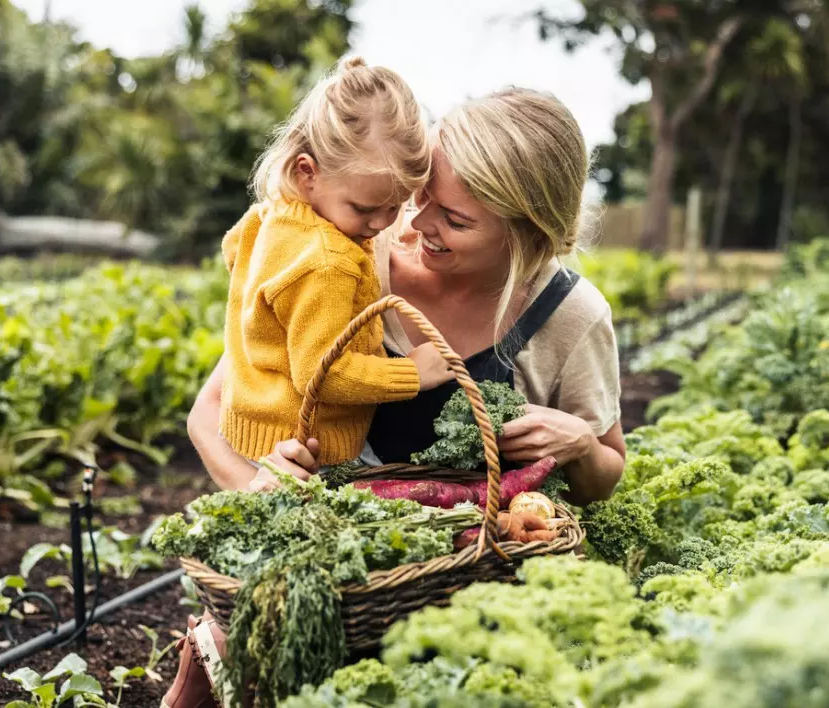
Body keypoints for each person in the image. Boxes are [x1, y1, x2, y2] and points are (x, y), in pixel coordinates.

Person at [163, 86, 626, 708]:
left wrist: (578, 444)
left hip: (479, 586)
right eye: (421, 197)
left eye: (455, 221)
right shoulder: (351, 252)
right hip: (344, 589)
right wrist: (258, 491)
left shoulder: (570, 316)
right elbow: (209, 412)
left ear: (529, 230)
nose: (416, 225)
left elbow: (606, 473)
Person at [216, 54, 452, 475]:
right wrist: (413, 374)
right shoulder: (329, 261)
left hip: (258, 427)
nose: (381, 224)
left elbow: (234, 251)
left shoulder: (270, 215)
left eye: (396, 206)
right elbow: (322, 375)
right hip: (310, 447)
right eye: (365, 208)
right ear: (309, 173)